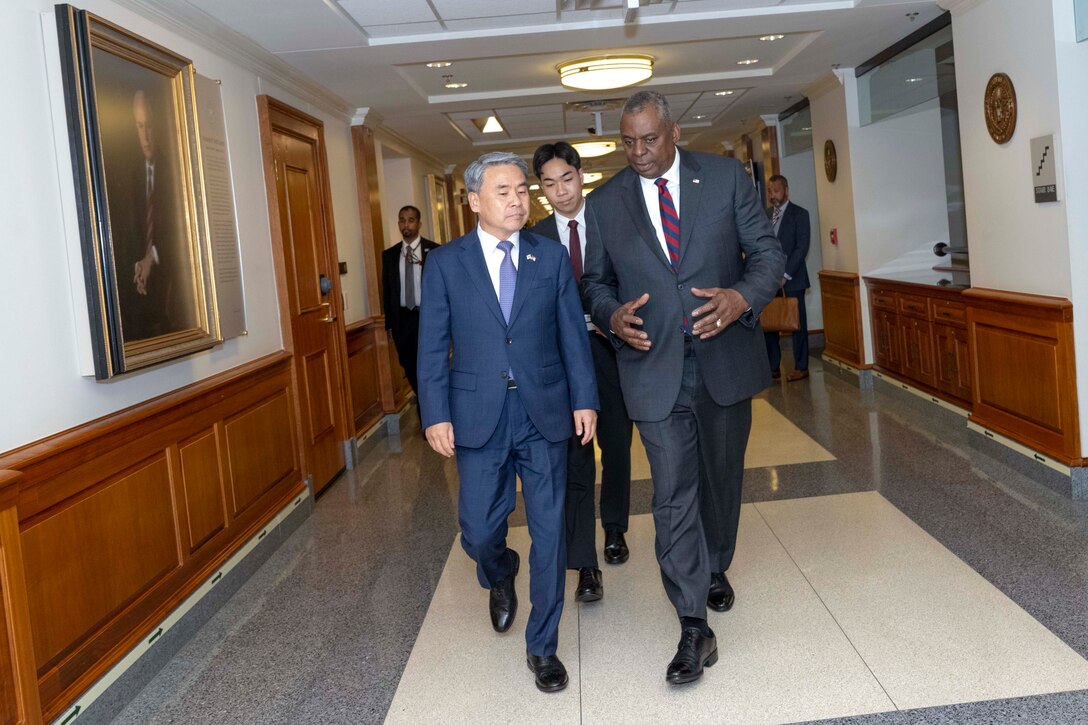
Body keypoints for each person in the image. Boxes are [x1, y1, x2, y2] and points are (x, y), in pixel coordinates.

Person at [582, 90, 784, 685]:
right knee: (671, 491)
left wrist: (742, 296)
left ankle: (715, 562)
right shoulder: (606, 202)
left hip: (723, 359)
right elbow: (594, 282)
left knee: (722, 481)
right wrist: (610, 315)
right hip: (652, 367)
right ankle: (692, 621)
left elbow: (767, 253)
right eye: (628, 142)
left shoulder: (723, 178)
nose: (638, 153)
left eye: (649, 140)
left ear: (673, 131)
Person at [417, 151, 598, 693]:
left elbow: (572, 334)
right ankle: (499, 570)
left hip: (543, 412)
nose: (518, 199)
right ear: (475, 201)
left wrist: (584, 398)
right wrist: (435, 414)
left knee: (550, 531)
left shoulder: (548, 257)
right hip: (477, 415)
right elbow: (432, 347)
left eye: (523, 190)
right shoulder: (447, 263)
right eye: (504, 191)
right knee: (477, 530)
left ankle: (543, 646)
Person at [530, 142, 635, 606]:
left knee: (616, 444)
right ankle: (584, 563)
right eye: (549, 184)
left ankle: (614, 527)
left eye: (566, 179)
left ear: (581, 175)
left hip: (612, 351)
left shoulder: (613, 222)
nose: (560, 191)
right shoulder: (534, 239)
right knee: (575, 459)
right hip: (563, 364)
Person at [382, 205, 438, 394]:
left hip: (427, 318)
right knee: (408, 365)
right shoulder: (389, 255)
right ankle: (424, 402)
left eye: (411, 220)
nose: (406, 224)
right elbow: (388, 290)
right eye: (402, 220)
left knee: (430, 366)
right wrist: (389, 323)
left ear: (419, 223)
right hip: (402, 321)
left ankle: (429, 411)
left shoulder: (435, 251)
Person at [764, 174, 812, 381]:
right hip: (768, 280)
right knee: (770, 323)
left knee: (797, 323)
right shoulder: (765, 215)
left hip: (793, 279)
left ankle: (801, 366)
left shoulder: (800, 214)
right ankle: (773, 367)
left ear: (786, 190)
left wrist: (785, 274)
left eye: (776, 191)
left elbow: (802, 248)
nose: (773, 195)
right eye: (770, 191)